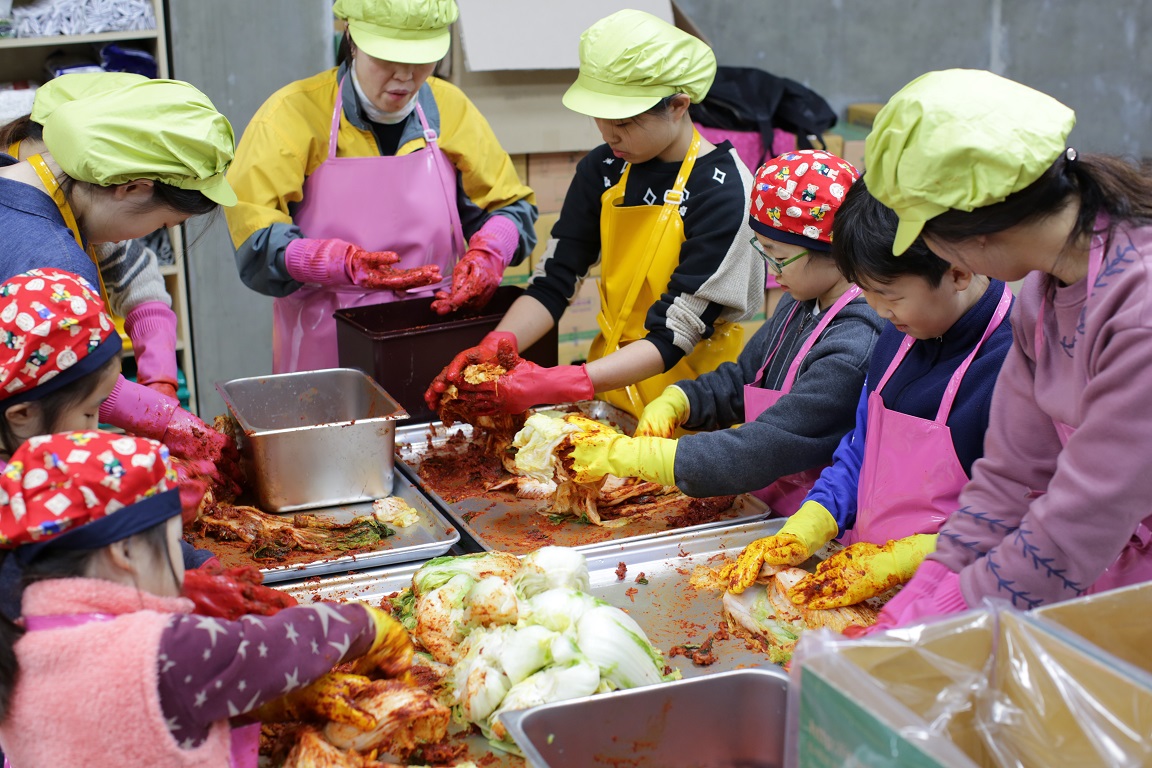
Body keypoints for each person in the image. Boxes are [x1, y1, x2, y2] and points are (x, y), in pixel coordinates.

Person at [856, 69, 1152, 634]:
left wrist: (928, 623)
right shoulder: (1042, 294)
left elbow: (1080, 521)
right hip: (1101, 574)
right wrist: (914, 603)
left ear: (976, 231)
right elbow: (1009, 479)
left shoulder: (1138, 309)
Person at [426, 9, 764, 420]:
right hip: (610, 391)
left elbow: (676, 333)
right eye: (599, 116)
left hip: (695, 405)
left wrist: (558, 383)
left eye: (623, 121)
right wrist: (497, 344)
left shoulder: (725, 191)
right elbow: (554, 281)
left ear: (677, 106)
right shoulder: (605, 168)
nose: (607, 133)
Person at [0, 430, 412, 767]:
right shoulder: (161, 650)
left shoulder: (18, 648)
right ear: (124, 553)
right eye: (173, 542)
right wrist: (367, 625)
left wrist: (268, 704)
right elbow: (271, 646)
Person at [722, 176, 1015, 605]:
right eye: (866, 290)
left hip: (952, 600)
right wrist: (817, 516)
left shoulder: (1014, 365)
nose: (876, 309)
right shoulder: (899, 333)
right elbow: (862, 449)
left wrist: (908, 557)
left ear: (957, 272)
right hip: (866, 582)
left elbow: (1022, 519)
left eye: (888, 294)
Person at [226, 0, 537, 373]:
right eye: (387, 57)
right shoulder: (291, 115)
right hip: (327, 346)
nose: (405, 76)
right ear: (352, 39)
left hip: (434, 333)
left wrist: (492, 251)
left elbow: (512, 209)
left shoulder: (451, 108)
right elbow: (256, 242)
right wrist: (329, 261)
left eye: (421, 59)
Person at [562, 150, 883, 509]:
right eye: (764, 252)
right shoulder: (800, 302)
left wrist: (652, 459)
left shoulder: (856, 342)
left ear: (835, 251)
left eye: (779, 258)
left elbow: (770, 444)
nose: (772, 271)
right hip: (767, 501)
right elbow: (744, 378)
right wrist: (682, 400)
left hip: (815, 515)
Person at [0, 73, 240, 484]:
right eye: (163, 223)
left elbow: (124, 257)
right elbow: (63, 381)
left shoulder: (26, 173)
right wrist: (165, 422)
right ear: (132, 187)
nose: (148, 236)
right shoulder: (55, 263)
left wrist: (159, 372)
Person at [0, 268, 221, 622]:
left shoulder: (55, 461)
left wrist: (194, 561)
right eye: (90, 413)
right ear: (22, 415)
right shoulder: (16, 512)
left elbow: (122, 523)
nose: (96, 431)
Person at [1, 72, 182, 400]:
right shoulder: (47, 246)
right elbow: (52, 376)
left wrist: (160, 372)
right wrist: (124, 403)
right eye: (164, 223)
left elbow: (130, 268)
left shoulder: (72, 192)